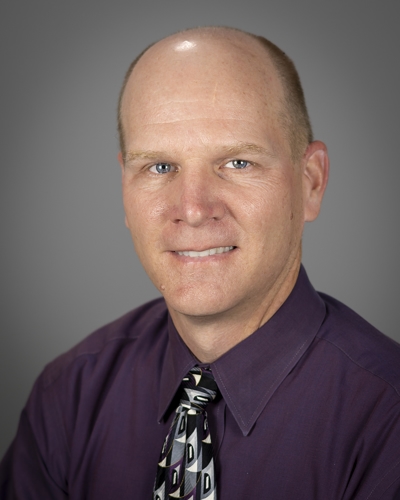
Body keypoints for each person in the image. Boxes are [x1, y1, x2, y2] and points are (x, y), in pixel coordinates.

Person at [1, 26, 400, 500]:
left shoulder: (387, 421)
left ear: (311, 182)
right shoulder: (69, 397)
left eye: (237, 163)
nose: (192, 209)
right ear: (125, 188)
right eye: (160, 167)